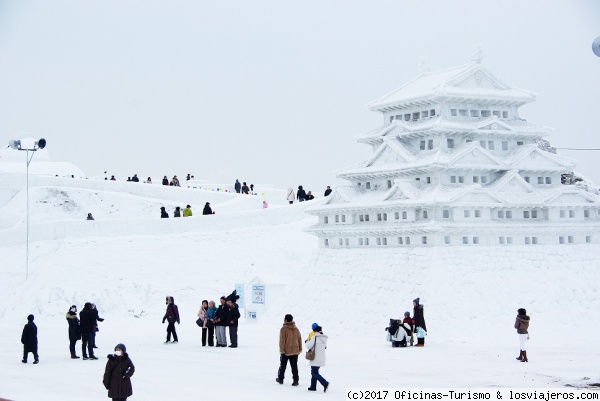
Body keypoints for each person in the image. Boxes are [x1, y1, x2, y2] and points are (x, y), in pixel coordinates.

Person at [276, 314, 302, 386]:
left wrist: (282, 350)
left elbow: (282, 341)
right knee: (294, 366)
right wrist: (300, 349)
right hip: (295, 351)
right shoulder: (296, 329)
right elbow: (299, 339)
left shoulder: (284, 329)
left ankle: (280, 379)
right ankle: (295, 380)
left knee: (283, 365)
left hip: (286, 351)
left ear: (286, 320)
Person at [305, 324, 329, 392]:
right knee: (315, 371)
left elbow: (309, 346)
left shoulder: (315, 336)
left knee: (314, 373)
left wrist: (307, 342)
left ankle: (325, 383)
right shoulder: (324, 337)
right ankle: (313, 386)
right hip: (321, 357)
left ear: (314, 330)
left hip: (315, 357)